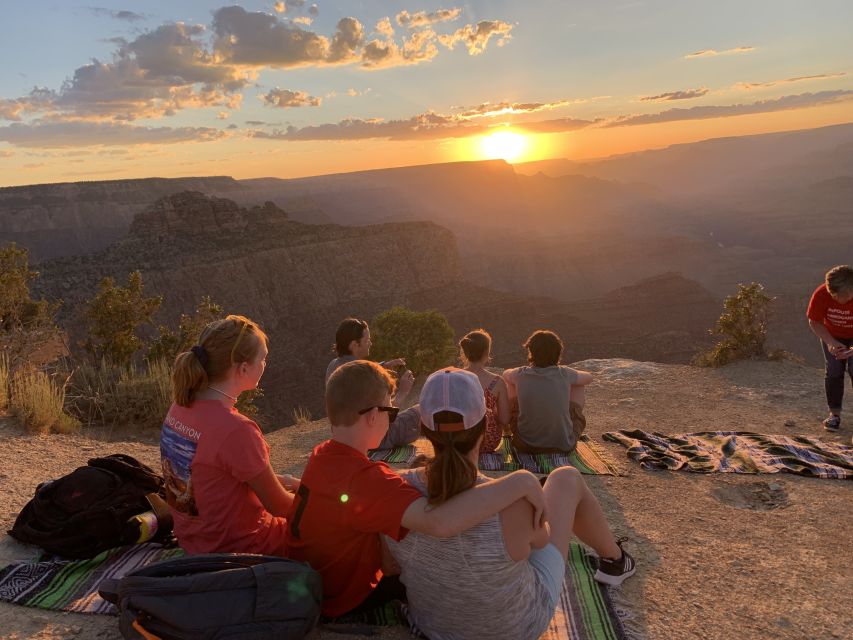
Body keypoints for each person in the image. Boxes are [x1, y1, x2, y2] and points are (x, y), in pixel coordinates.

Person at [384, 368, 636, 640]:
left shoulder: (394, 491)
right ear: (484, 426)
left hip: (435, 625)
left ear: (422, 428)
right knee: (566, 478)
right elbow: (541, 540)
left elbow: (389, 566)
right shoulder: (514, 503)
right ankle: (615, 561)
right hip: (517, 628)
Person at [284, 360, 546, 619]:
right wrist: (520, 481)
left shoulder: (322, 454)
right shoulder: (367, 479)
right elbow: (439, 522)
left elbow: (347, 496)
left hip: (315, 581)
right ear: (373, 416)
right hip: (345, 598)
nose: (392, 419)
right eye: (392, 413)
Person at [160, 315, 297, 555]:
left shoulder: (179, 407)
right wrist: (322, 500)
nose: (265, 364)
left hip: (193, 540)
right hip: (242, 548)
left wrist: (279, 481)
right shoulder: (237, 429)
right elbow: (281, 507)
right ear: (243, 368)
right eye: (263, 358)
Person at [325, 317, 419, 448]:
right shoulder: (365, 375)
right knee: (423, 410)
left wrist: (383, 365)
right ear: (354, 345)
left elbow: (359, 370)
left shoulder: (334, 366)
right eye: (367, 340)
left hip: (345, 437)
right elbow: (385, 416)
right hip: (378, 438)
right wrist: (404, 391)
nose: (371, 343)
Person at [503, 330, 593, 453]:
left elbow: (505, 374)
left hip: (524, 444)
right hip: (564, 445)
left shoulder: (521, 374)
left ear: (531, 351)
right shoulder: (564, 373)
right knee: (579, 384)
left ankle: (507, 430)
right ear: (558, 352)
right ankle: (565, 423)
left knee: (510, 383)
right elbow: (589, 378)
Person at [806, 265, 853, 432]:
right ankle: (834, 415)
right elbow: (814, 321)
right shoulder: (822, 294)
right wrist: (831, 342)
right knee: (833, 370)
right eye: (834, 295)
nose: (838, 299)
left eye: (843, 295)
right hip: (832, 334)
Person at [459, 329, 510, 452]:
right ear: (487, 352)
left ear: (465, 352)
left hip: (458, 439)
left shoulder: (454, 377)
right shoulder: (497, 382)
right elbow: (505, 419)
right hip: (487, 441)